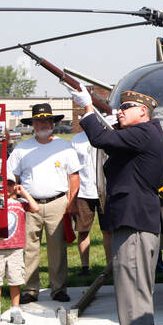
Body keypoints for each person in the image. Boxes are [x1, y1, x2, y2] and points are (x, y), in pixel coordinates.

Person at [67, 86, 163, 325]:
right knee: (137, 290)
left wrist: (88, 108)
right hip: (137, 220)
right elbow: (110, 142)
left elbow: (100, 139)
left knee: (132, 291)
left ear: (143, 112)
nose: (119, 112)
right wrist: (106, 120)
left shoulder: (144, 132)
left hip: (133, 221)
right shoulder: (143, 134)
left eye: (126, 108)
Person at [6, 103, 80, 304]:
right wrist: (14, 194)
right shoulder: (22, 148)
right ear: (33, 124)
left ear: (53, 123)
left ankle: (58, 289)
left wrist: (72, 203)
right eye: (39, 120)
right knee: (29, 249)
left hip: (58, 202)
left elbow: (74, 176)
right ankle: (30, 289)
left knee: (58, 249)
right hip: (29, 204)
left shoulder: (65, 147)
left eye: (47, 120)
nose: (43, 124)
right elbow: (10, 176)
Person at [0, 185, 40, 325]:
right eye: (4, 185)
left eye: (10, 184)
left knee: (15, 279)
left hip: (16, 248)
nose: (7, 188)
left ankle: (15, 309)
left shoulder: (20, 203)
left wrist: (24, 192)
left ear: (15, 186)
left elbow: (36, 208)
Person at [68, 115, 101, 278]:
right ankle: (85, 266)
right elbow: (72, 168)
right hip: (84, 190)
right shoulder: (76, 140)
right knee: (83, 230)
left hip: (103, 189)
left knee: (108, 230)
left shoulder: (105, 135)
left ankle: (110, 266)